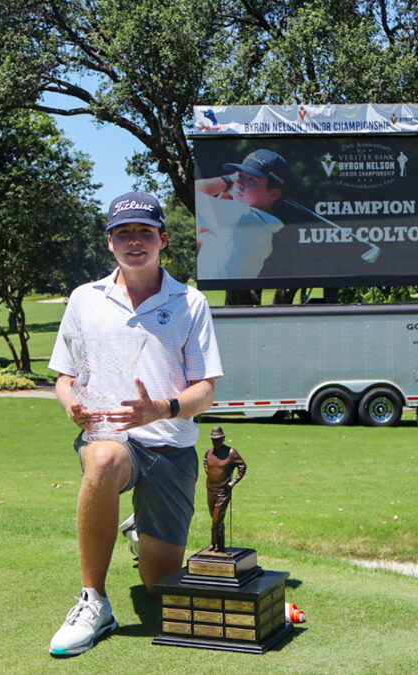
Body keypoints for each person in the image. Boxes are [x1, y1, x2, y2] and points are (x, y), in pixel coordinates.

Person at [46, 191, 223, 657]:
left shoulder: (190, 302)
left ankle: (137, 532)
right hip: (110, 437)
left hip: (170, 444)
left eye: (144, 231)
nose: (134, 241)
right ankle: (94, 601)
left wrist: (160, 409)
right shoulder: (85, 299)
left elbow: (205, 390)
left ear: (163, 239)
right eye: (123, 232)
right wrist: (71, 406)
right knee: (103, 458)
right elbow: (65, 377)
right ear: (110, 243)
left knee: (160, 589)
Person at [195, 148, 288, 279]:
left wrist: (228, 180)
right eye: (240, 176)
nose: (239, 184)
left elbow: (192, 192)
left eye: (251, 179)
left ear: (274, 194)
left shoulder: (244, 217)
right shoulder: (260, 226)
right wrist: (229, 193)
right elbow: (203, 237)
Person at [202, 427, 246, 552]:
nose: (215, 442)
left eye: (218, 439)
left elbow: (242, 467)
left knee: (216, 520)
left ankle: (213, 543)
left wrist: (233, 482)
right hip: (210, 489)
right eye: (213, 440)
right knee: (216, 519)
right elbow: (205, 461)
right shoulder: (209, 452)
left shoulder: (231, 453)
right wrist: (207, 471)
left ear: (223, 438)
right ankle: (219, 546)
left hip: (223, 491)